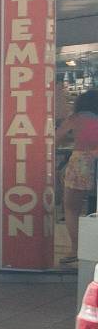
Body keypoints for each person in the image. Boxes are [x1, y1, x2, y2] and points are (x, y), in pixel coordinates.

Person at [61, 89, 98, 235]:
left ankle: (75, 249)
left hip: (80, 161)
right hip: (94, 160)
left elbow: (56, 138)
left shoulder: (75, 119)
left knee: (71, 208)